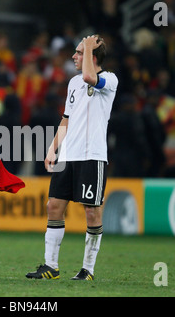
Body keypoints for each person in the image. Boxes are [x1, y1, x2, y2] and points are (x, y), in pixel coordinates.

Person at [26, 35, 118, 280]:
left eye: (79, 52)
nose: (74, 56)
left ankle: (88, 269)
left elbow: (91, 77)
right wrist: (53, 148)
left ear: (93, 56)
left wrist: (88, 46)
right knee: (53, 206)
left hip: (92, 155)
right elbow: (66, 118)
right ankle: (51, 266)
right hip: (68, 155)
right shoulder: (74, 83)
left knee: (91, 211)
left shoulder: (109, 79)